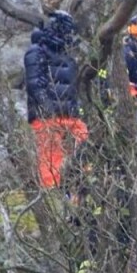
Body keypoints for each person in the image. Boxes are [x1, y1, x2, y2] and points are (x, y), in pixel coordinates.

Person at [24, 10, 89, 189]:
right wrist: (47, 113)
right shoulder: (36, 52)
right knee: (51, 157)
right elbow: (35, 84)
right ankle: (52, 194)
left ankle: (79, 189)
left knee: (84, 146)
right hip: (47, 116)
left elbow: (74, 87)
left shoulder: (67, 55)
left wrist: (77, 111)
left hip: (69, 115)